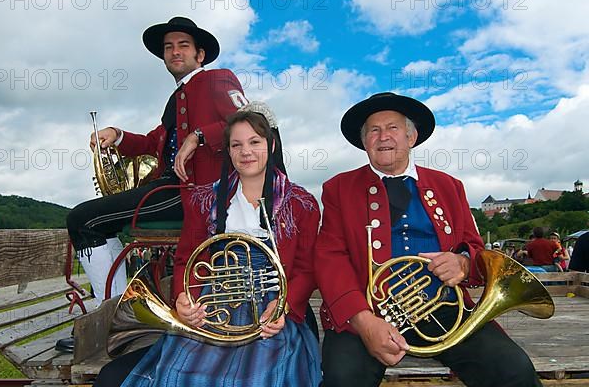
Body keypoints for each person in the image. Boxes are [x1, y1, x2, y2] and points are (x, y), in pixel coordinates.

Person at [315, 92, 541, 387]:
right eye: (374, 130)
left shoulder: (449, 186)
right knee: (343, 380)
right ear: (365, 142)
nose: (383, 136)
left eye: (393, 128)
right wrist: (363, 320)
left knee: (514, 370)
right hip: (368, 314)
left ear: (411, 136)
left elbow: (475, 248)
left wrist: (462, 262)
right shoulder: (339, 188)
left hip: (446, 308)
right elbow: (330, 258)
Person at [59, 17, 246, 353]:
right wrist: (117, 135)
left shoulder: (218, 79)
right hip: (172, 189)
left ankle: (115, 320)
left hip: (196, 193)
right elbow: (153, 142)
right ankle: (121, 313)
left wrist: (198, 137)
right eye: (168, 47)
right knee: (93, 222)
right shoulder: (176, 99)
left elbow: (248, 122)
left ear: (200, 55)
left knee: (83, 220)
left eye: (183, 45)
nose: (174, 51)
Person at [115, 105, 321, 386]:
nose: (245, 151)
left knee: (263, 376)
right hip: (214, 305)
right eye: (236, 144)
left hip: (272, 307)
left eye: (254, 142)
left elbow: (307, 267)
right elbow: (186, 259)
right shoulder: (203, 200)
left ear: (271, 145)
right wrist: (183, 299)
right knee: (181, 373)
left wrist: (282, 305)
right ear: (228, 151)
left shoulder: (301, 203)